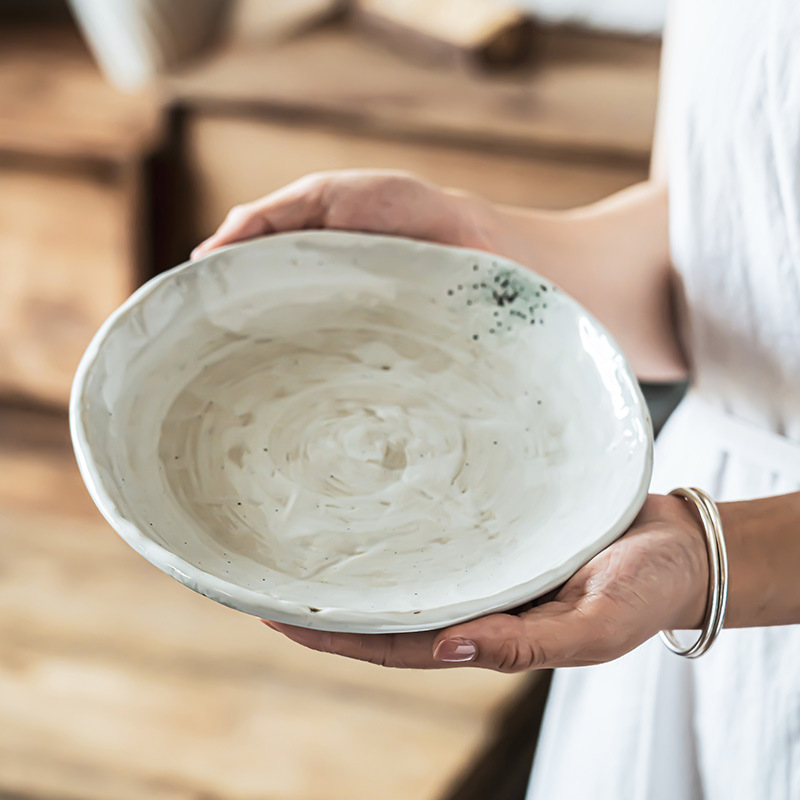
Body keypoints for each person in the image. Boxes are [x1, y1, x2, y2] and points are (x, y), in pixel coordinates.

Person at [191, 1, 800, 797]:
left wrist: (716, 558)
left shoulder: (702, 553)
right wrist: (476, 252)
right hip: (701, 541)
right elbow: (730, 257)